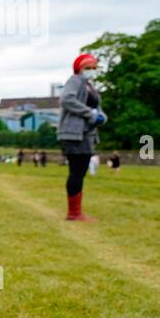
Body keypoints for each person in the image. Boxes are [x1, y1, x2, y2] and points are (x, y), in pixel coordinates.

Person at [58, 53, 105, 221]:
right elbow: (67, 100)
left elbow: (97, 107)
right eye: (88, 68)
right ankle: (73, 212)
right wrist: (90, 113)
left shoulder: (90, 86)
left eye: (94, 68)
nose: (91, 71)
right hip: (74, 134)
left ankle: (76, 211)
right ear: (80, 68)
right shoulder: (75, 81)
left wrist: (101, 116)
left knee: (81, 171)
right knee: (77, 171)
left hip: (87, 134)